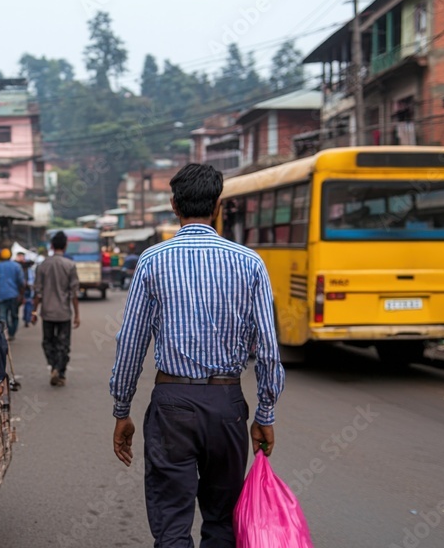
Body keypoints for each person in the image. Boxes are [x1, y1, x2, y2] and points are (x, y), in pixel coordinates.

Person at [109, 163, 285, 547]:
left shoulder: (153, 261)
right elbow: (269, 351)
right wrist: (265, 414)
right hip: (227, 406)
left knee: (171, 519)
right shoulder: (250, 263)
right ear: (218, 205)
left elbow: (131, 342)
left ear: (174, 205)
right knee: (222, 519)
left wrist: (122, 410)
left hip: (171, 406)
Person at [31, 231, 81, 387]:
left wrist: (34, 312)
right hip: (64, 313)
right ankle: (60, 371)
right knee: (63, 344)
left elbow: (37, 292)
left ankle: (53, 366)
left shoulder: (42, 265)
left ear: (51, 246)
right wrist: (77, 315)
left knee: (48, 342)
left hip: (47, 312)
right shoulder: (70, 265)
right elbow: (74, 293)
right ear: (65, 246)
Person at [0, 248, 25, 341]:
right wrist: (22, 294)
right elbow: (21, 282)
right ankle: (12, 333)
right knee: (14, 315)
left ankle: (4, 333)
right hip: (13, 295)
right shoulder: (16, 266)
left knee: (2, 316)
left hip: (0, 296)